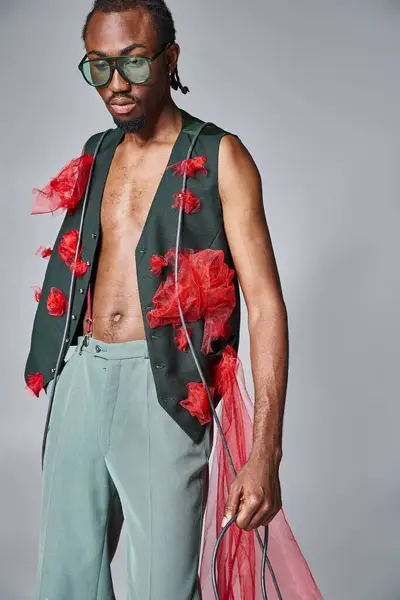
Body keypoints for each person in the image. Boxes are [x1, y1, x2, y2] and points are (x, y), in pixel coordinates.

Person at [25, 1, 323, 599]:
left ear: (170, 60)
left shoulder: (221, 156)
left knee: (163, 587)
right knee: (65, 584)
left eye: (133, 63)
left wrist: (265, 451)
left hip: (161, 391)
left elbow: (264, 304)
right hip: (79, 375)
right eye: (98, 65)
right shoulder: (97, 150)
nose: (115, 84)